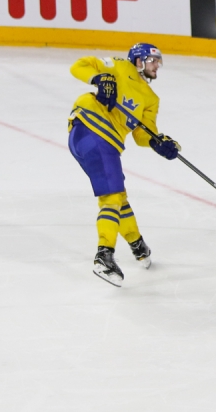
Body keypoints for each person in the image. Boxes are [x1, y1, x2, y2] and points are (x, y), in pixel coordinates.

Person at [68, 43, 181, 287]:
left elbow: (142, 134)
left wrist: (160, 143)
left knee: (117, 195)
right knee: (111, 198)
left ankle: (136, 243)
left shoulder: (151, 99)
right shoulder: (117, 65)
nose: (156, 65)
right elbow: (78, 66)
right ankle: (104, 255)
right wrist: (100, 77)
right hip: (94, 129)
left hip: (94, 141)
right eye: (152, 60)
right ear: (138, 61)